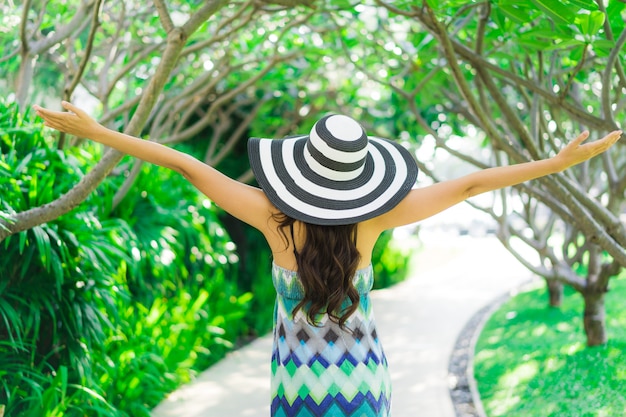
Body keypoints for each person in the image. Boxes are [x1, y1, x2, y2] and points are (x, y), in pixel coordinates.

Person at [33, 102, 621, 417]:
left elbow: (186, 165)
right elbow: (469, 186)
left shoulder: (271, 217)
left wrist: (99, 130)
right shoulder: (375, 221)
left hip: (294, 387)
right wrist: (555, 162)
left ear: (303, 168)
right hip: (364, 384)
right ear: (360, 178)